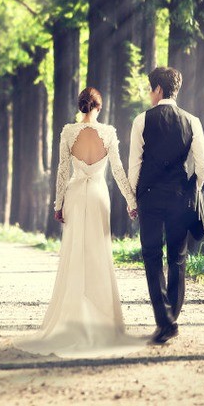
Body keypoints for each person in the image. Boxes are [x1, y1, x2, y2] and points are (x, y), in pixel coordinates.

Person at [15, 87, 144, 357]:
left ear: (81, 106)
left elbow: (63, 170)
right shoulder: (108, 133)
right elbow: (119, 170)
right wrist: (132, 201)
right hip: (98, 197)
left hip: (74, 194)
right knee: (98, 254)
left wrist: (58, 204)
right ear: (99, 107)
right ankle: (101, 321)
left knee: (74, 255)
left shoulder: (68, 132)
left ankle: (71, 318)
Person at [127, 66, 204, 345]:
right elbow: (202, 164)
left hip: (149, 196)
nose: (150, 94)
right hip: (179, 196)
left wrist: (131, 199)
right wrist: (193, 189)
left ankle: (165, 321)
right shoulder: (192, 121)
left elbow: (134, 165)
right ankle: (171, 317)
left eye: (151, 89)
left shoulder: (142, 121)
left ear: (158, 89)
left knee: (151, 256)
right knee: (178, 258)